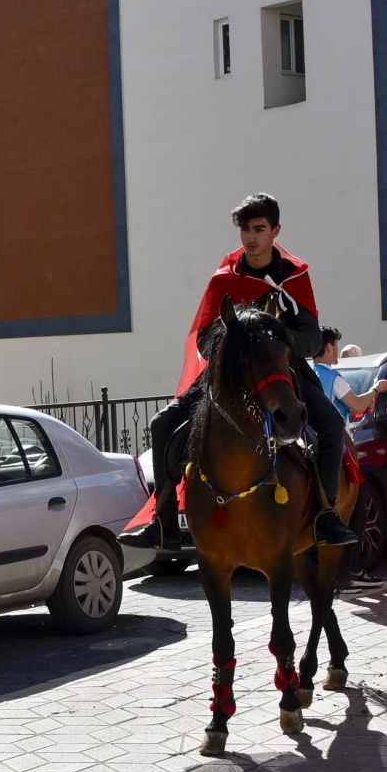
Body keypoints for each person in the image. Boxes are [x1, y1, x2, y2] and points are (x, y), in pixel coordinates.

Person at [120, 192, 357, 552]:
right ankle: (163, 524)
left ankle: (326, 516)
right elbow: (203, 339)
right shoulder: (223, 280)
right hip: (231, 372)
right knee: (162, 422)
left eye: (259, 229)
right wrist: (236, 346)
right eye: (245, 230)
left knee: (332, 424)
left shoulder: (295, 278)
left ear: (276, 231)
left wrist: (278, 338)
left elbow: (312, 338)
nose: (250, 237)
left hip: (284, 372)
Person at [314, 327, 387, 590]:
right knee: (356, 507)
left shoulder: (308, 374)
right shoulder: (333, 377)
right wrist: (376, 390)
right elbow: (357, 404)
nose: (337, 350)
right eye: (335, 345)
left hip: (311, 445)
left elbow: (352, 407)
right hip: (337, 447)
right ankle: (352, 570)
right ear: (328, 348)